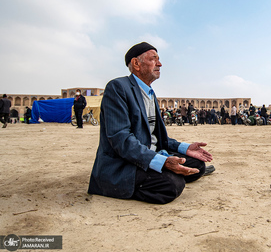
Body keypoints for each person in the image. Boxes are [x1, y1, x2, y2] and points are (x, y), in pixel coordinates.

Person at [88, 42, 215, 204]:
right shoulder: (118, 88)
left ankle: (164, 170)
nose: (160, 64)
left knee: (198, 165)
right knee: (173, 184)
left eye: (159, 59)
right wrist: (162, 162)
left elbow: (157, 136)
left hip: (152, 153)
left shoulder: (149, 93)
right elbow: (121, 139)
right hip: (126, 162)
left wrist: (185, 148)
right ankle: (147, 179)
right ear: (136, 64)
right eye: (154, 59)